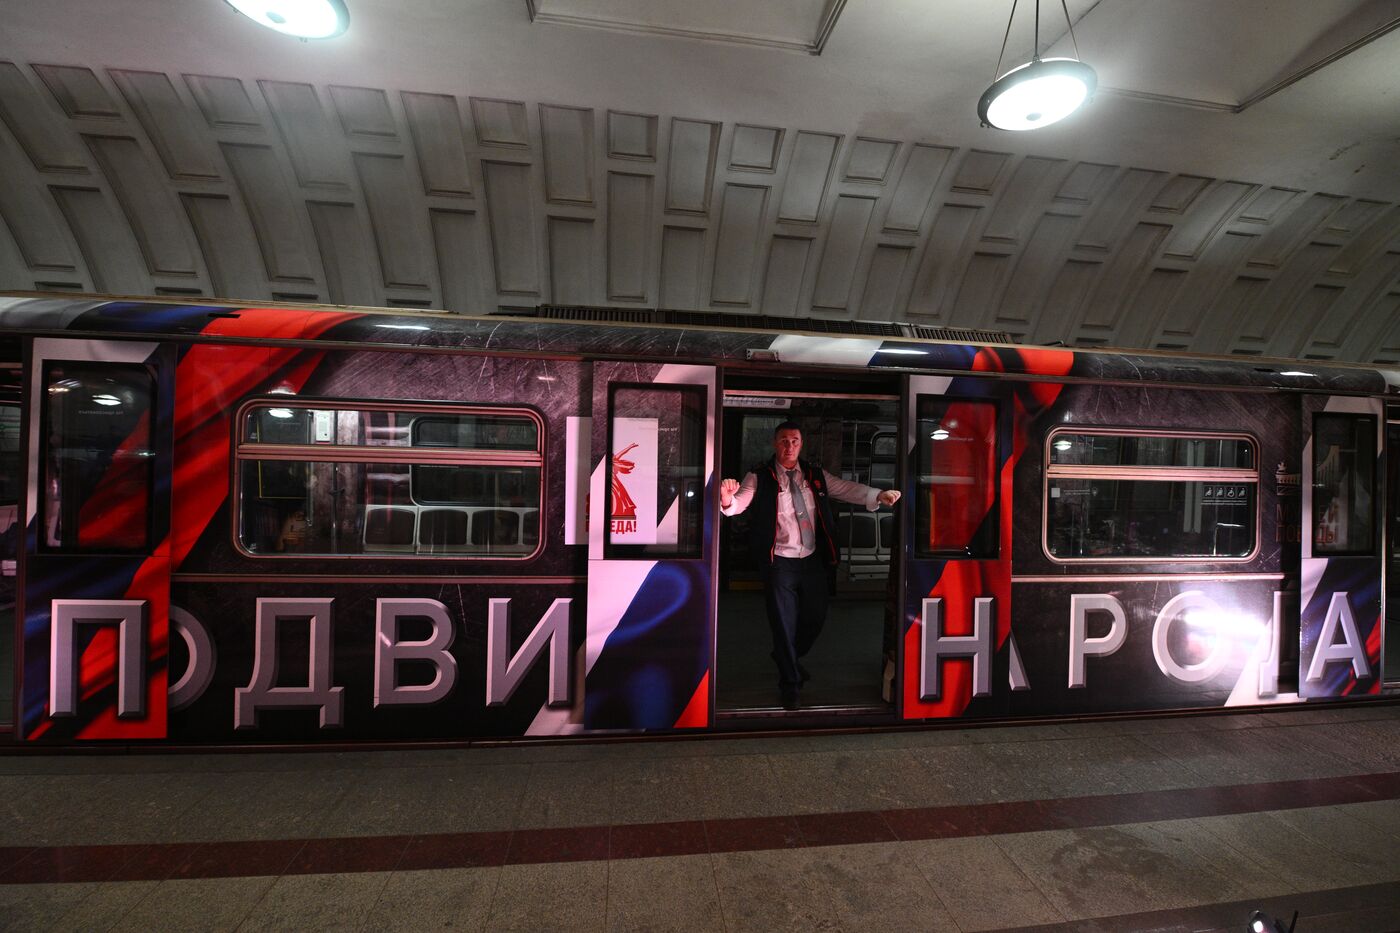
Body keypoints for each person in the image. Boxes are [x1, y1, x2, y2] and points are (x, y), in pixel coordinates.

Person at [720, 421, 901, 710]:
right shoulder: (759, 476)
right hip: (779, 561)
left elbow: (846, 489)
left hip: (812, 559)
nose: (789, 446)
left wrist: (877, 495)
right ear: (774, 444)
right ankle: (790, 683)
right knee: (783, 622)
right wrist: (727, 497)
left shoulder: (815, 475)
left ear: (801, 444)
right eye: (783, 440)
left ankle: (787, 655)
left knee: (815, 617)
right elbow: (738, 504)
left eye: (794, 440)